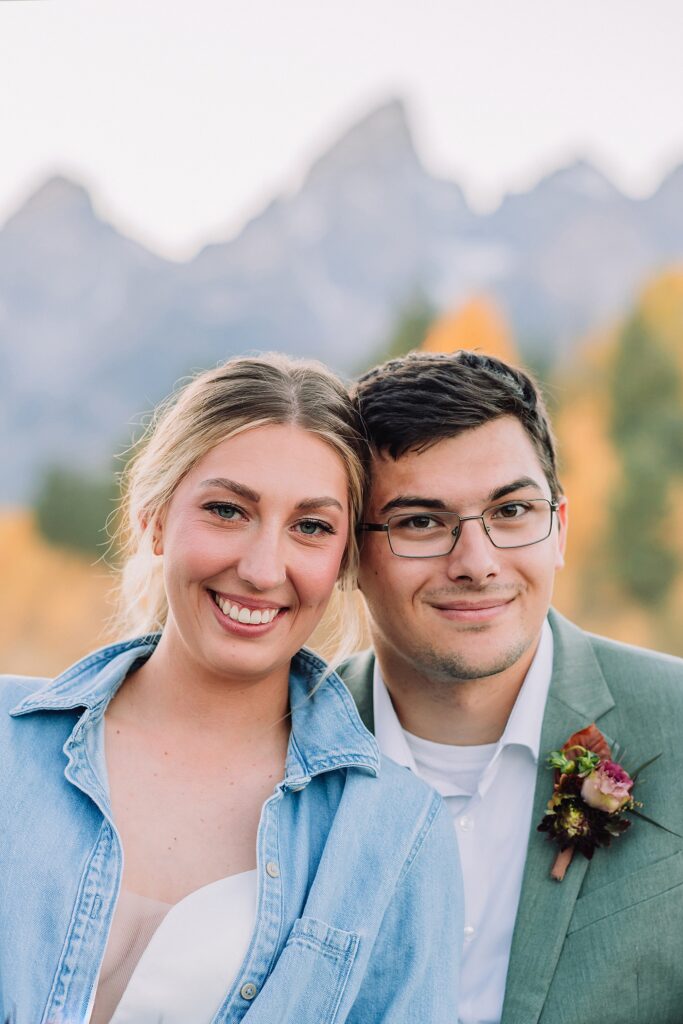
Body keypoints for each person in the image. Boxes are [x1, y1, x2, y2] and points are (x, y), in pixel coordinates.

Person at [0, 354, 463, 1024]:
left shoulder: (394, 836)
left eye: (311, 526)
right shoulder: (7, 743)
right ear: (151, 517)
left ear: (342, 563)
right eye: (226, 510)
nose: (261, 567)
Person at [341, 349, 683, 1024]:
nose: (476, 562)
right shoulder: (275, 743)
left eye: (512, 511)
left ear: (560, 527)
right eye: (420, 522)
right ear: (352, 552)